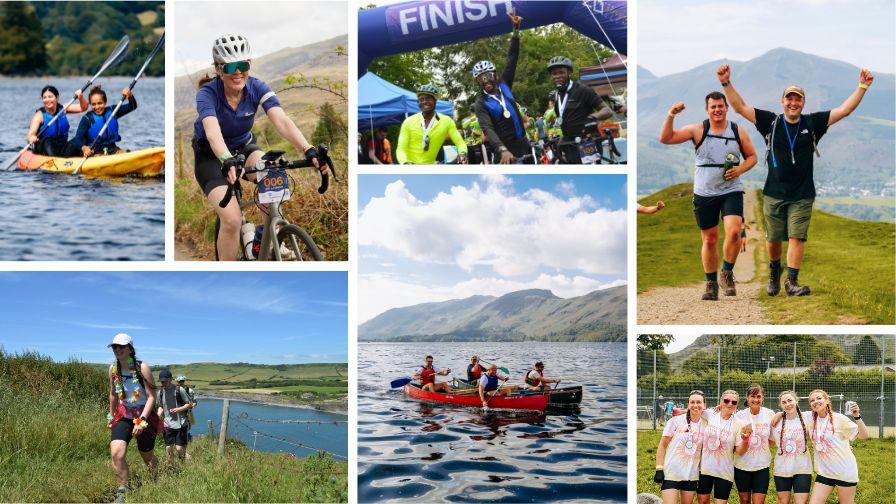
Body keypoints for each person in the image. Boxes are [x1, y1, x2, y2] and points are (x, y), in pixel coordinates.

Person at [717, 64, 874, 297]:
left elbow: (844, 111)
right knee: (774, 240)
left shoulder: (812, 123)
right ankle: (774, 273)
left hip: (802, 193)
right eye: (789, 99)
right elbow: (739, 107)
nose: (793, 103)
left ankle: (791, 282)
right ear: (782, 102)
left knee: (796, 237)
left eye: (797, 99)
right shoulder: (771, 122)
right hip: (774, 192)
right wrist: (726, 83)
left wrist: (862, 87)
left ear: (803, 103)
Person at [192, 34, 324, 261]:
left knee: (275, 180)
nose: (238, 72)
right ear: (218, 69)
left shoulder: (257, 87)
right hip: (211, 157)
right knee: (232, 220)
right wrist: (226, 158)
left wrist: (307, 148)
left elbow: (281, 120)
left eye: (243, 65)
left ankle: (261, 241)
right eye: (231, 66)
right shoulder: (207, 94)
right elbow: (213, 134)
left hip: (244, 148)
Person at [660, 92, 758, 300]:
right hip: (704, 192)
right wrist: (671, 115)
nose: (717, 110)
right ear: (707, 109)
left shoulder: (736, 131)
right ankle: (711, 283)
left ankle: (727, 273)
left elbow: (752, 156)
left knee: (733, 233)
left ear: (726, 108)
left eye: (720, 106)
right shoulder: (698, 129)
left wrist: (740, 170)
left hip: (731, 189)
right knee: (710, 239)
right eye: (713, 107)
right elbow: (666, 138)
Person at [771, 389, 868, 504]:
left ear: (827, 400)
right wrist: (779, 414)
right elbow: (790, 412)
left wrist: (857, 416)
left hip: (844, 471)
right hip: (825, 473)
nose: (815, 402)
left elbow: (864, 436)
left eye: (819, 398)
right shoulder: (810, 418)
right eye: (812, 400)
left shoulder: (839, 418)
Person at [106, 333, 161, 503]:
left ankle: (156, 477)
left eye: (121, 346)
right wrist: (111, 415)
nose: (117, 350)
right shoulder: (113, 369)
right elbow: (113, 393)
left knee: (146, 455)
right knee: (116, 453)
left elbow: (152, 396)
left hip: (144, 414)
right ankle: (122, 493)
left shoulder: (141, 367)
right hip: (124, 414)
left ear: (130, 348)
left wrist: (142, 420)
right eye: (115, 347)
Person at [471, 9, 530, 164]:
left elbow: (512, 58)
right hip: (505, 151)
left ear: (495, 75)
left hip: (524, 144)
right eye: (481, 78)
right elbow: (487, 129)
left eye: (489, 75)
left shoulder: (504, 85)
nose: (486, 81)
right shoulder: (481, 103)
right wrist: (502, 149)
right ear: (478, 81)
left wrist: (516, 31)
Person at [546, 55, 613, 164]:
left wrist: (592, 117)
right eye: (554, 73)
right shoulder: (556, 95)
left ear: (569, 73)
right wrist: (562, 137)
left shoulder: (583, 90)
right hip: (569, 142)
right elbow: (562, 118)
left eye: (561, 72)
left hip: (587, 140)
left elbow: (607, 111)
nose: (557, 76)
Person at [655, 390, 706, 504]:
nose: (695, 405)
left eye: (699, 402)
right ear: (688, 404)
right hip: (671, 473)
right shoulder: (675, 421)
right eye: (692, 402)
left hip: (691, 475)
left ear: (704, 405)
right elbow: (663, 445)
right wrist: (659, 468)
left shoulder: (707, 424)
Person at [396, 84, 467, 164]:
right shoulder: (408, 121)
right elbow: (401, 149)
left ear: (435, 100)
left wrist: (463, 154)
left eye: (428, 98)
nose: (424, 102)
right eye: (421, 99)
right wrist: (405, 163)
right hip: (410, 168)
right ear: (418, 102)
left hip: (430, 168)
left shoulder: (447, 121)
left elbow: (460, 143)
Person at [733, 384, 775, 504]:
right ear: (747, 397)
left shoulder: (770, 414)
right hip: (742, 466)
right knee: (745, 500)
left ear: (763, 398)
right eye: (752, 396)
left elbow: (771, 443)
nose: (756, 399)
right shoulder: (739, 416)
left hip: (761, 466)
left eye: (759, 396)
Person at [697, 390, 741, 504]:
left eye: (734, 402)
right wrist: (677, 411)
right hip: (705, 469)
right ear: (721, 401)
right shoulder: (711, 414)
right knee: (702, 501)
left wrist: (746, 439)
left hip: (724, 471)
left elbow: (739, 450)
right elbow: (694, 410)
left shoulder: (738, 423)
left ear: (737, 404)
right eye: (726, 401)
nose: (730, 404)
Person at [769, 391, 813, 504]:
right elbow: (770, 442)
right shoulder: (776, 421)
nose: (787, 404)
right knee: (783, 501)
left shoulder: (808, 417)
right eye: (784, 402)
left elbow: (825, 421)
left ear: (796, 401)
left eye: (790, 400)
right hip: (782, 469)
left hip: (802, 468)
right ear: (780, 405)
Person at [68, 86, 136, 157]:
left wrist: (130, 96)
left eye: (100, 103)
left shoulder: (112, 111)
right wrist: (84, 148)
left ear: (105, 102)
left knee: (127, 154)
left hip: (113, 150)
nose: (97, 107)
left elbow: (132, 106)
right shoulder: (86, 119)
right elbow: (77, 139)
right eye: (93, 104)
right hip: (95, 152)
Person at [27, 86, 87, 156]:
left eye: (50, 97)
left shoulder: (63, 109)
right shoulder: (39, 115)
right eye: (44, 97)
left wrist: (81, 97)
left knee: (79, 139)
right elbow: (31, 134)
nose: (47, 100)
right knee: (47, 141)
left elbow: (83, 107)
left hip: (62, 147)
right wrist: (32, 137)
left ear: (57, 97)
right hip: (45, 149)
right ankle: (54, 160)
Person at [156, 369, 193, 464]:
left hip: (181, 423)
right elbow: (161, 406)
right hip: (167, 424)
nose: (163, 383)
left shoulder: (179, 390)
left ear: (171, 379)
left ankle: (183, 462)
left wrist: (178, 409)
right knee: (168, 448)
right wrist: (158, 415)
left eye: (165, 381)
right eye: (162, 382)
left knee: (179, 448)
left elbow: (189, 404)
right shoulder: (160, 392)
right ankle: (171, 467)